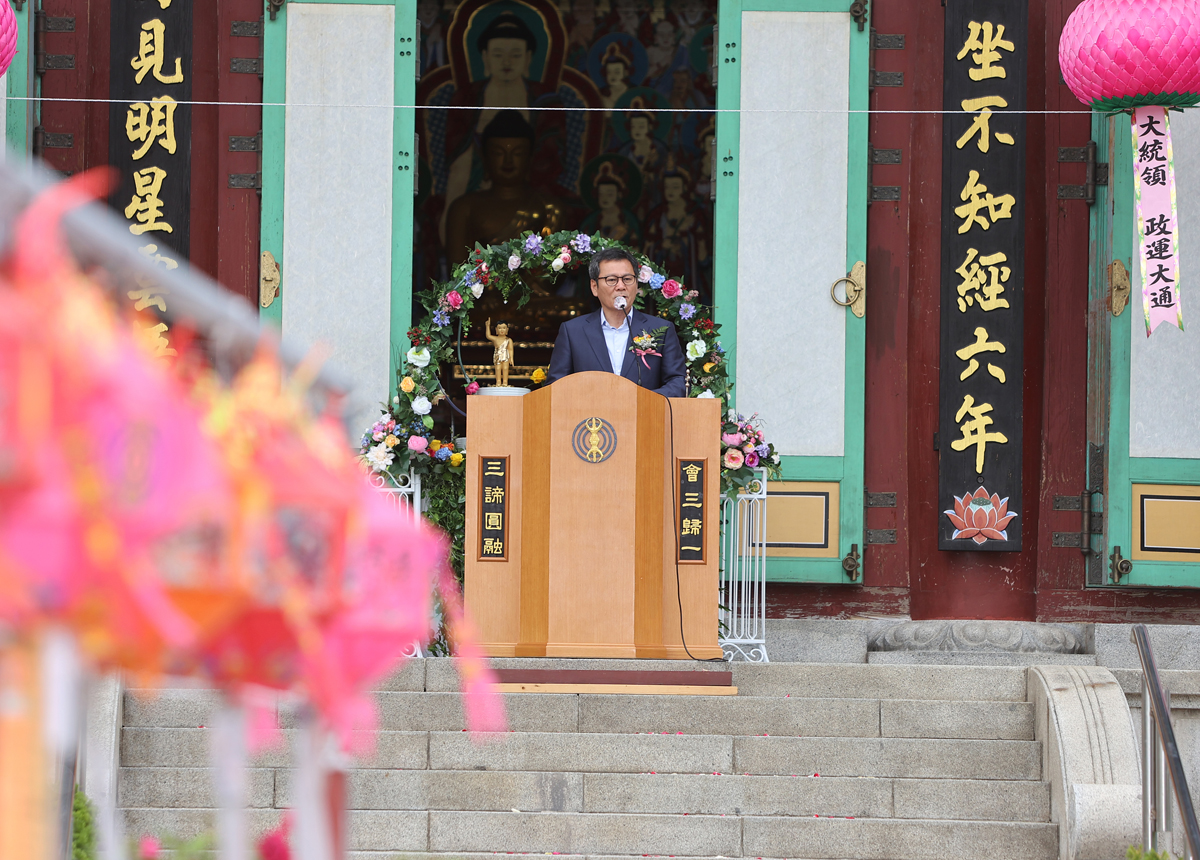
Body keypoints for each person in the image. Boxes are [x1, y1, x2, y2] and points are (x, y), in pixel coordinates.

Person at [545, 247, 686, 397]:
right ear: (594, 287)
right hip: (591, 419)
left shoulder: (662, 329)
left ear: (636, 284)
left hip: (645, 416)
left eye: (627, 279)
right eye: (611, 280)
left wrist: (644, 400)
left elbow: (677, 382)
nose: (620, 286)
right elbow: (555, 387)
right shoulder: (572, 331)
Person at [484, 318, 515, 386]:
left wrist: (511, 358)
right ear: (496, 330)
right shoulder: (495, 339)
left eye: (504, 328)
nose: (502, 330)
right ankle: (498, 382)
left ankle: (505, 382)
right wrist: (487, 326)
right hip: (497, 356)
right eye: (499, 328)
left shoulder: (509, 340)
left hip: (505, 356)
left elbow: (510, 349)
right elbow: (488, 336)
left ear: (507, 329)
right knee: (498, 369)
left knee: (505, 368)